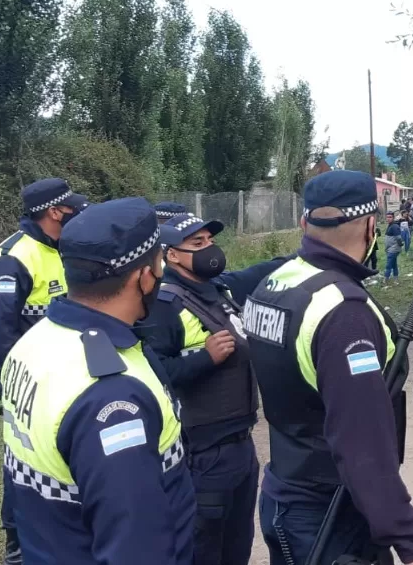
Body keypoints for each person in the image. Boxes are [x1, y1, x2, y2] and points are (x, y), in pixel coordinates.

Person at [245, 170, 413, 565]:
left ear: (304, 223)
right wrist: (409, 537)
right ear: (370, 225)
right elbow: (360, 439)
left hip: (288, 487)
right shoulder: (342, 312)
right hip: (329, 512)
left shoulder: (276, 282)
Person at [0, 197, 194, 565]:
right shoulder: (114, 400)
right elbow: (135, 547)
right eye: (159, 260)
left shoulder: (34, 342)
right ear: (144, 277)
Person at [136, 212, 283, 565]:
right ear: (172, 255)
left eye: (211, 241)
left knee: (237, 545)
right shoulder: (164, 304)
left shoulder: (217, 292)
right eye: (197, 244)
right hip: (203, 450)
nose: (209, 250)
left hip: (240, 441)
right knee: (205, 548)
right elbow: (151, 373)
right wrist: (205, 358)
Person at [0, 177, 88, 564]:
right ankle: (17, 543)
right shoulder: (14, 258)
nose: (79, 212)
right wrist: (19, 387)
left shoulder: (63, 248)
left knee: (62, 458)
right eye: (72, 208)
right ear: (54, 212)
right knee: (26, 456)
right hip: (29, 380)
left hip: (69, 377)